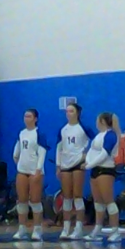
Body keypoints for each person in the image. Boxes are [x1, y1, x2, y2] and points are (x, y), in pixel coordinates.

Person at [83, 112, 123, 242]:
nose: (96, 122)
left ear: (103, 121)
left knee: (108, 201)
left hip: (106, 170)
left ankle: (115, 231)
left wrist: (89, 165)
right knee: (98, 202)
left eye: (97, 119)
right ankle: (97, 229)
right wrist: (88, 162)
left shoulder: (111, 135)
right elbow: (91, 151)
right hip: (95, 170)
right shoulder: (98, 136)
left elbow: (105, 153)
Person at [56, 102, 93, 240]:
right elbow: (58, 148)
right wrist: (58, 166)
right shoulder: (63, 129)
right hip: (65, 165)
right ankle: (65, 228)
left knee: (77, 195)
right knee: (67, 196)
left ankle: (78, 228)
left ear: (77, 113)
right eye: (66, 111)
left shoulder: (83, 128)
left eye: (71, 111)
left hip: (78, 164)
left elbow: (96, 143)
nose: (68, 113)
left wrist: (86, 157)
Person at [13, 109, 49, 241]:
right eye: (25, 116)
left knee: (35, 200)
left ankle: (37, 229)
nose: (26, 118)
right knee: (21, 200)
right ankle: (22, 228)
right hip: (22, 170)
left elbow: (42, 152)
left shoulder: (39, 133)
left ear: (35, 119)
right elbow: (17, 151)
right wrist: (17, 161)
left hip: (35, 171)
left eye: (29, 116)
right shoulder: (21, 133)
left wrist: (38, 170)